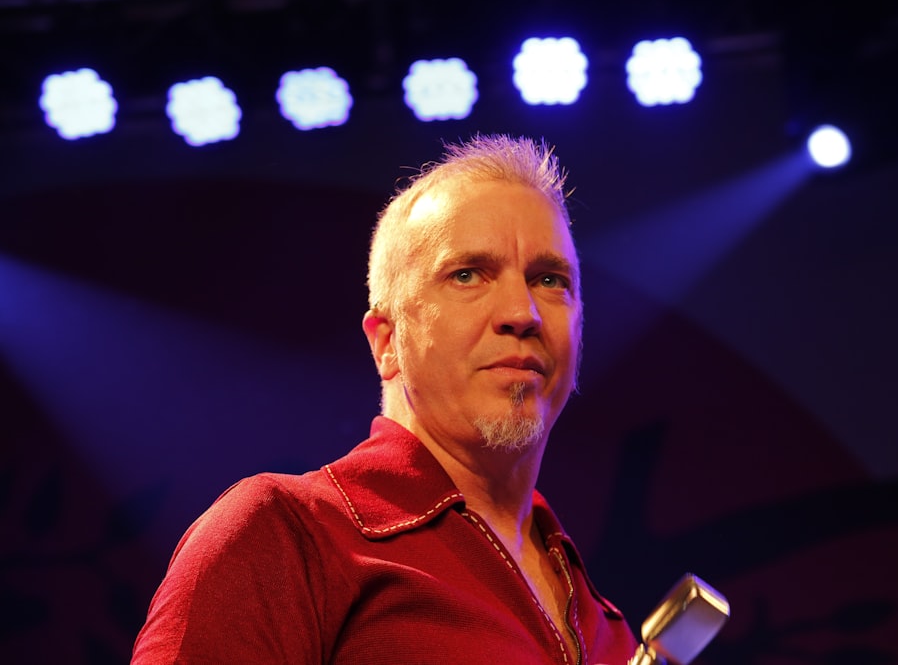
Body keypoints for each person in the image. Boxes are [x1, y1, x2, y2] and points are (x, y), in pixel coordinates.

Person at [132, 134, 638, 664]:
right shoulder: (286, 534)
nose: (522, 312)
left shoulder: (606, 627)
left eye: (550, 279)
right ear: (387, 342)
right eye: (467, 274)